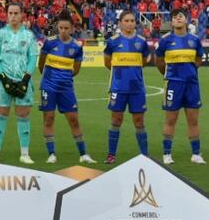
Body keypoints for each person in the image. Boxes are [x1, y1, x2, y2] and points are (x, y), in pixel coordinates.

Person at [37, 13, 93, 164]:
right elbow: (41, 64)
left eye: (66, 28)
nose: (63, 30)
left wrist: (64, 78)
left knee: (74, 120)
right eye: (60, 27)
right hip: (48, 87)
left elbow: (76, 69)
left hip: (66, 88)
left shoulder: (76, 47)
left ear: (72, 29)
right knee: (49, 119)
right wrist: (49, 79)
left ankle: (83, 154)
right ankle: (51, 154)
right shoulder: (49, 43)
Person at [154, 11, 205, 165]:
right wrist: (169, 74)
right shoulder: (165, 40)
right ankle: (167, 154)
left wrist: (189, 72)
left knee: (193, 120)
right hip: (173, 84)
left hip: (191, 84)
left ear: (186, 20)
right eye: (175, 17)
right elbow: (159, 61)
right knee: (170, 120)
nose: (178, 18)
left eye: (181, 16)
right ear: (172, 22)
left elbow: (198, 58)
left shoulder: (194, 40)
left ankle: (196, 154)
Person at [103, 11, 151, 164]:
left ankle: (145, 156)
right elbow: (107, 62)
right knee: (116, 120)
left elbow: (144, 60)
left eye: (132, 20)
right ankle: (111, 154)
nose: (130, 23)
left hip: (137, 88)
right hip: (118, 87)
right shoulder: (112, 42)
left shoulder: (142, 42)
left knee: (139, 121)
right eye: (126, 20)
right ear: (121, 23)